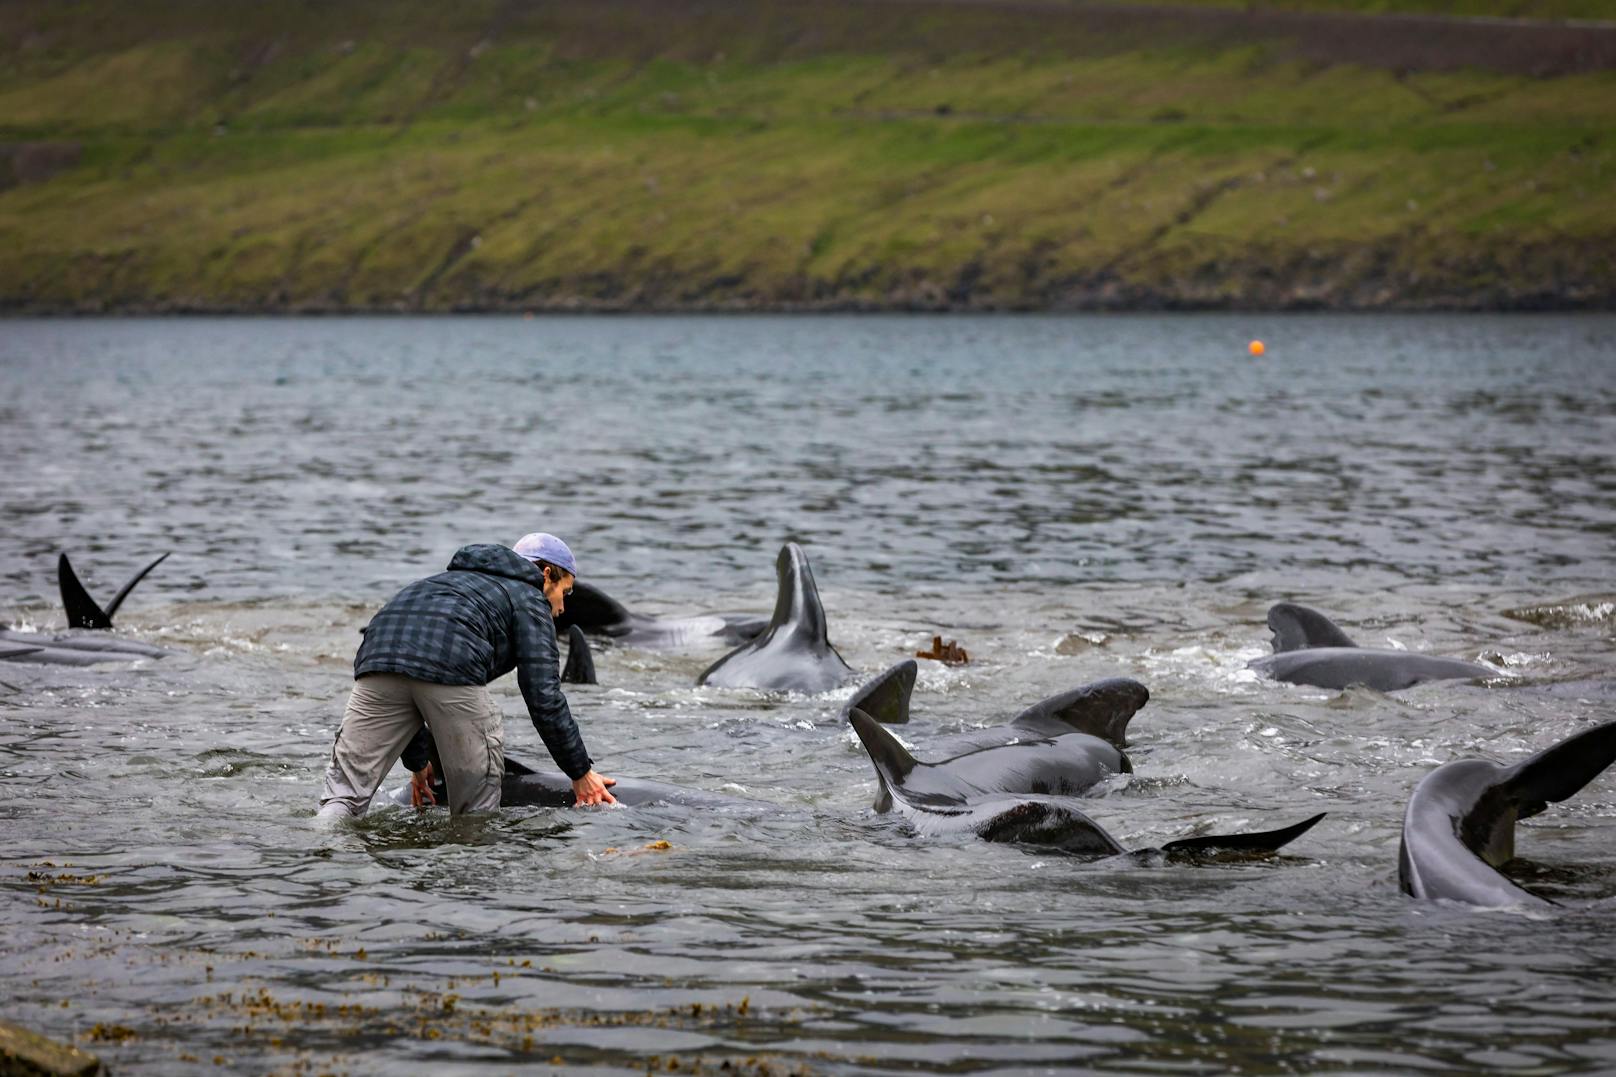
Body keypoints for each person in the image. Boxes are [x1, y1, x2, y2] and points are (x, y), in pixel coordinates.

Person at [316, 532, 615, 817]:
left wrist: (419, 764)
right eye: (567, 591)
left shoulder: (437, 583)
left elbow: (407, 674)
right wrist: (581, 772)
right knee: (476, 811)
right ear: (547, 574)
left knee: (342, 797)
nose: (563, 606)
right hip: (451, 671)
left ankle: (323, 852)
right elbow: (543, 696)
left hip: (375, 663)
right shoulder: (529, 596)